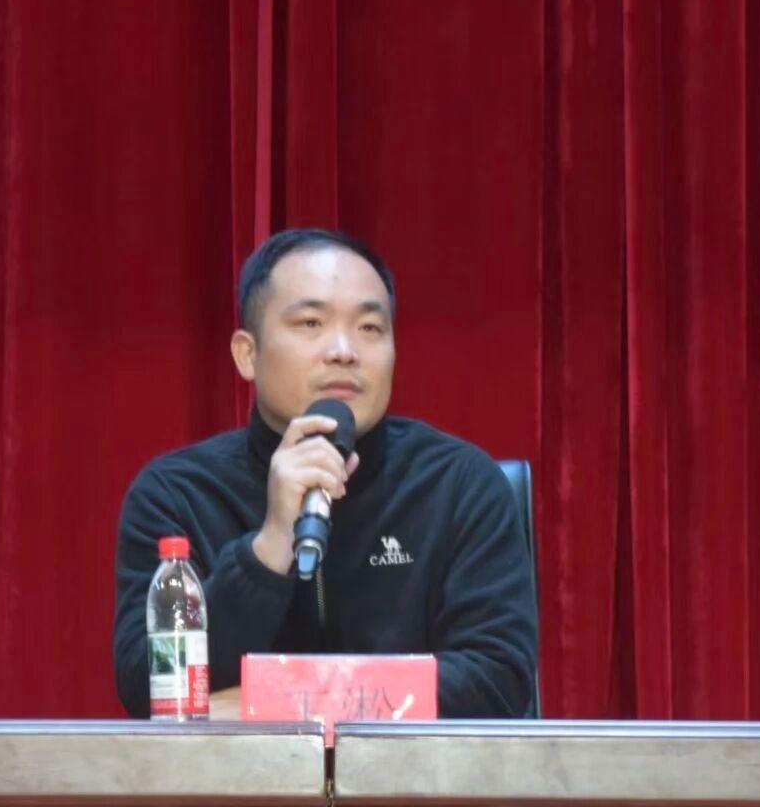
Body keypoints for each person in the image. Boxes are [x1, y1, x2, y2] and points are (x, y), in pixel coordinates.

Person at [112, 228, 538, 718]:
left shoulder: (460, 485)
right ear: (247, 354)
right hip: (239, 773)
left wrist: (274, 703)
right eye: (311, 323)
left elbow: (498, 681)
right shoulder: (176, 494)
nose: (343, 350)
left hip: (414, 771)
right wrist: (268, 548)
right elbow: (148, 684)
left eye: (370, 328)